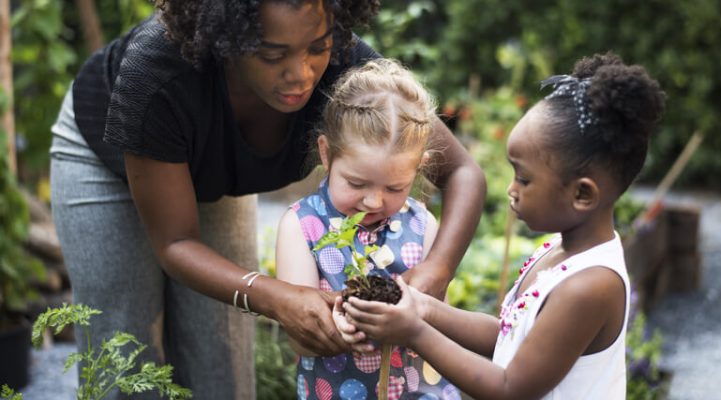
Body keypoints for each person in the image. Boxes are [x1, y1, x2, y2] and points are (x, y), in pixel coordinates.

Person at [48, 1, 486, 399]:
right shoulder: (157, 73)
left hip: (214, 175)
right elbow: (176, 245)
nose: (301, 74)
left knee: (221, 364)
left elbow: (463, 172)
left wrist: (435, 272)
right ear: (226, 42)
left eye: (317, 47)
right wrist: (275, 296)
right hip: (105, 162)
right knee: (124, 351)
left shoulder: (346, 67)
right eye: (273, 55)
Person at [340, 53, 666, 399]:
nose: (511, 189)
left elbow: (510, 388)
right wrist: (425, 308)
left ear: (582, 194)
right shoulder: (559, 250)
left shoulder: (589, 286)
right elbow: (506, 336)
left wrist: (415, 332)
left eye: (524, 179)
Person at [275, 58, 462, 399]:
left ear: (418, 169)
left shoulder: (422, 225)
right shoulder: (302, 227)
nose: (374, 202)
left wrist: (415, 319)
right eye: (357, 183)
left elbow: (440, 320)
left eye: (395, 188)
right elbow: (300, 336)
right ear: (326, 154)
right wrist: (339, 329)